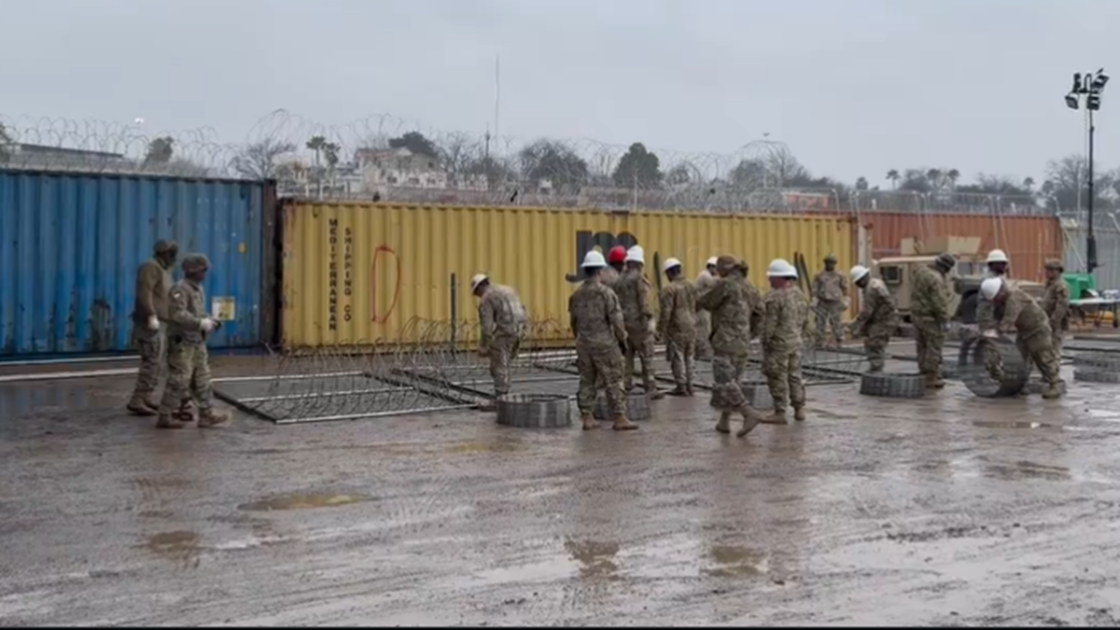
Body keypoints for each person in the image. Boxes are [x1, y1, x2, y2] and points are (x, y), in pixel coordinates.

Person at [156, 254, 230, 429]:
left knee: (202, 379)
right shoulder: (180, 289)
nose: (205, 273)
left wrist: (209, 319)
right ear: (193, 270)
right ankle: (165, 415)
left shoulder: (197, 289)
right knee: (179, 380)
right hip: (182, 344)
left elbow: (196, 312)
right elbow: (177, 314)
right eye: (202, 270)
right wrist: (200, 323)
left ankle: (206, 414)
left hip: (197, 341)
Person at [697, 255, 766, 438]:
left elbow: (706, 302)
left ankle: (749, 413)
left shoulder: (725, 284)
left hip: (725, 340)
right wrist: (750, 333)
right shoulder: (750, 286)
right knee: (734, 380)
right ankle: (724, 421)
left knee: (724, 382)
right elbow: (760, 313)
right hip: (743, 341)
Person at [569, 250, 637, 431]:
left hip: (583, 344)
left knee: (586, 380)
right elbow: (616, 320)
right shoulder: (606, 293)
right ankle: (620, 417)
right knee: (614, 379)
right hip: (604, 343)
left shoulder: (576, 295)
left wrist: (580, 338)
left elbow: (573, 323)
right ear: (600, 271)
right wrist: (622, 340)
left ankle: (587, 417)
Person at [980, 277, 1062, 399]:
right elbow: (997, 317)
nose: (995, 302)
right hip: (1024, 331)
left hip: (1038, 329)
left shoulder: (1014, 298)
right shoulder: (1002, 299)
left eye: (996, 298)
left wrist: (995, 333)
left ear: (1001, 292)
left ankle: (1054, 385)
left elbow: (1008, 321)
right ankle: (1022, 386)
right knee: (1020, 359)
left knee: (1043, 357)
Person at [127, 240, 179, 416]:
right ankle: (138, 399)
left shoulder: (165, 270)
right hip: (150, 323)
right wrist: (151, 315)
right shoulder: (150, 267)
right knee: (151, 361)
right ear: (162, 253)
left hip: (162, 322)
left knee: (156, 362)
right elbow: (145, 293)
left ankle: (146, 396)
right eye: (170, 253)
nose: (173, 257)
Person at [760, 259, 811, 424]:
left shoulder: (775, 297)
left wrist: (765, 341)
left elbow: (770, 325)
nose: (769, 281)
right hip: (795, 342)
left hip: (778, 345)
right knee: (795, 376)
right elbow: (805, 321)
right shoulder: (800, 295)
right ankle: (799, 408)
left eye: (771, 278)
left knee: (777, 376)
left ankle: (780, 412)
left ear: (779, 278)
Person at [471, 273, 528, 410]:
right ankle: (505, 394)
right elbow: (522, 309)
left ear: (479, 289)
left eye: (476, 293)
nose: (477, 297)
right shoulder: (508, 289)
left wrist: (483, 346)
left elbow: (486, 327)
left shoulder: (486, 299)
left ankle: (501, 400)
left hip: (505, 332)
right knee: (506, 363)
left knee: (499, 365)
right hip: (520, 330)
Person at [614, 245, 662, 399]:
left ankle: (626, 384)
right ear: (640, 264)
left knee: (627, 357)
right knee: (646, 356)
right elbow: (644, 303)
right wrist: (651, 320)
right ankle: (650, 387)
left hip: (624, 324)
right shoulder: (639, 280)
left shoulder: (619, 280)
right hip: (639, 325)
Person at [911, 252, 956, 389]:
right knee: (934, 347)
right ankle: (931, 377)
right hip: (931, 318)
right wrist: (945, 319)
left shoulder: (921, 271)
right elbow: (939, 302)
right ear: (946, 268)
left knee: (922, 346)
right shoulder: (936, 279)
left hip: (917, 316)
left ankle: (923, 371)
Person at [657, 258, 698, 396]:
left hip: (677, 326)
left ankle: (681, 386)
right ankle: (690, 385)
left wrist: (660, 330)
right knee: (690, 356)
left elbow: (666, 312)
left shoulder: (669, 289)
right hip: (691, 325)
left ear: (669, 273)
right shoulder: (691, 286)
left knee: (677, 356)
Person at [847, 265, 899, 373]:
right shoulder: (876, 282)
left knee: (874, 343)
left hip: (884, 320)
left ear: (861, 280)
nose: (858, 286)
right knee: (874, 340)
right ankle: (877, 367)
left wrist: (856, 324)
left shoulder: (871, 289)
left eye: (857, 283)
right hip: (887, 318)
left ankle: (876, 369)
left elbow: (867, 312)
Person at [811, 254, 848, 348]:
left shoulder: (839, 275)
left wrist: (846, 300)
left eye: (832, 263)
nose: (830, 265)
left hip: (835, 302)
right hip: (822, 301)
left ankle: (839, 340)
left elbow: (845, 289)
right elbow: (815, 289)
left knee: (836, 322)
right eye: (828, 262)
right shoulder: (819, 275)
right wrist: (814, 300)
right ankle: (818, 341)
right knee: (820, 322)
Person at [1041, 259, 1071, 361]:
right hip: (1047, 320)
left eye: (1050, 270)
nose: (1047, 273)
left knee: (1054, 350)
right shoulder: (1050, 285)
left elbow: (1062, 306)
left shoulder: (1061, 286)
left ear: (1057, 271)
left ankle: (1054, 373)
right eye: (1047, 270)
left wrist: (1053, 322)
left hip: (1056, 323)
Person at [694, 256, 719, 359]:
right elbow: (715, 284)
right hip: (701, 308)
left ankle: (700, 351)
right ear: (711, 267)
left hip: (702, 307)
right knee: (703, 330)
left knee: (703, 329)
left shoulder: (705, 275)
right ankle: (702, 352)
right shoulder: (705, 276)